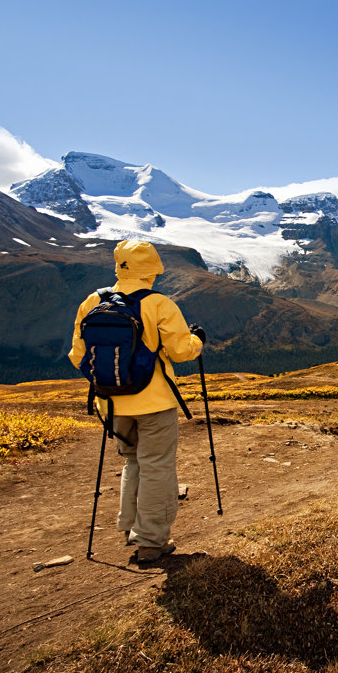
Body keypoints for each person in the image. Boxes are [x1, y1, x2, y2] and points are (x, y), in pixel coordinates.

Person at [69, 239, 204, 563]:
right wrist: (197, 339)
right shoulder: (158, 304)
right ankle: (150, 541)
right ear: (152, 271)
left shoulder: (92, 301)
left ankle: (132, 528)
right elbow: (181, 351)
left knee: (133, 462)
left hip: (112, 404)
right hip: (154, 402)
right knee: (156, 465)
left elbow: (78, 356)